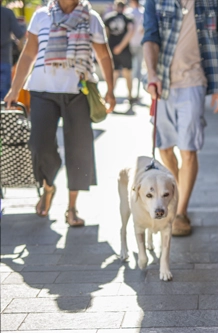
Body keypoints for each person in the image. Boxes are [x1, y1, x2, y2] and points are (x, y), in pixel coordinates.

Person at [4, 0, 116, 226]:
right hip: (43, 90)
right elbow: (28, 54)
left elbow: (104, 56)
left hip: (78, 92)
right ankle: (48, 186)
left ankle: (72, 208)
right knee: (38, 145)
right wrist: (14, 90)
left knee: (79, 150)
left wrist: (111, 90)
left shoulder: (91, 18)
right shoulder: (41, 16)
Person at [143, 0, 218, 236]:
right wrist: (151, 76)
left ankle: (180, 211)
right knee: (165, 147)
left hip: (194, 82)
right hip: (163, 84)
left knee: (188, 150)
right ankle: (175, 194)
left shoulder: (211, 2)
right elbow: (149, 37)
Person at [104, 0, 134, 102]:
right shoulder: (127, 18)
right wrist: (121, 47)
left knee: (115, 73)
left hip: (112, 49)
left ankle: (110, 94)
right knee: (126, 73)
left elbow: (105, 34)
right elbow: (131, 31)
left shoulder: (109, 18)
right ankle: (129, 96)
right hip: (123, 50)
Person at [1, 6, 26, 100]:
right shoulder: (8, 13)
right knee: (4, 97)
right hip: (5, 59)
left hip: (5, 60)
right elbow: (20, 36)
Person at [125, 0, 144, 100]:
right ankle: (136, 93)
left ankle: (131, 94)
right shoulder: (143, 12)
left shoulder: (128, 12)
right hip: (140, 43)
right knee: (138, 69)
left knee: (132, 70)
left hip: (130, 44)